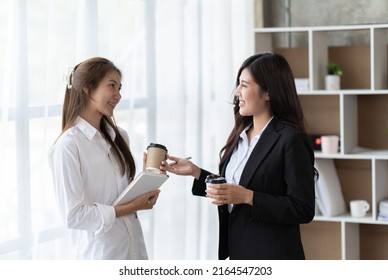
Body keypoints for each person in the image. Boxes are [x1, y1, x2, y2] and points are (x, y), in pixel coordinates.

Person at [161, 52, 317, 260]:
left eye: (244, 85)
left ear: (268, 92)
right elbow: (236, 185)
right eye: (238, 84)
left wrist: (248, 197)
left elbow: (303, 209)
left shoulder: (291, 139)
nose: (236, 92)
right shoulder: (240, 134)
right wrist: (197, 173)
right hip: (238, 252)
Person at [48, 57, 160, 260]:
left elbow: (116, 193)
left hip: (134, 249)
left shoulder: (120, 136)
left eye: (119, 87)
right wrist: (131, 207)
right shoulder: (68, 146)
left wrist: (146, 178)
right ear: (87, 89)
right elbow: (74, 216)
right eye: (112, 86)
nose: (118, 95)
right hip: (101, 255)